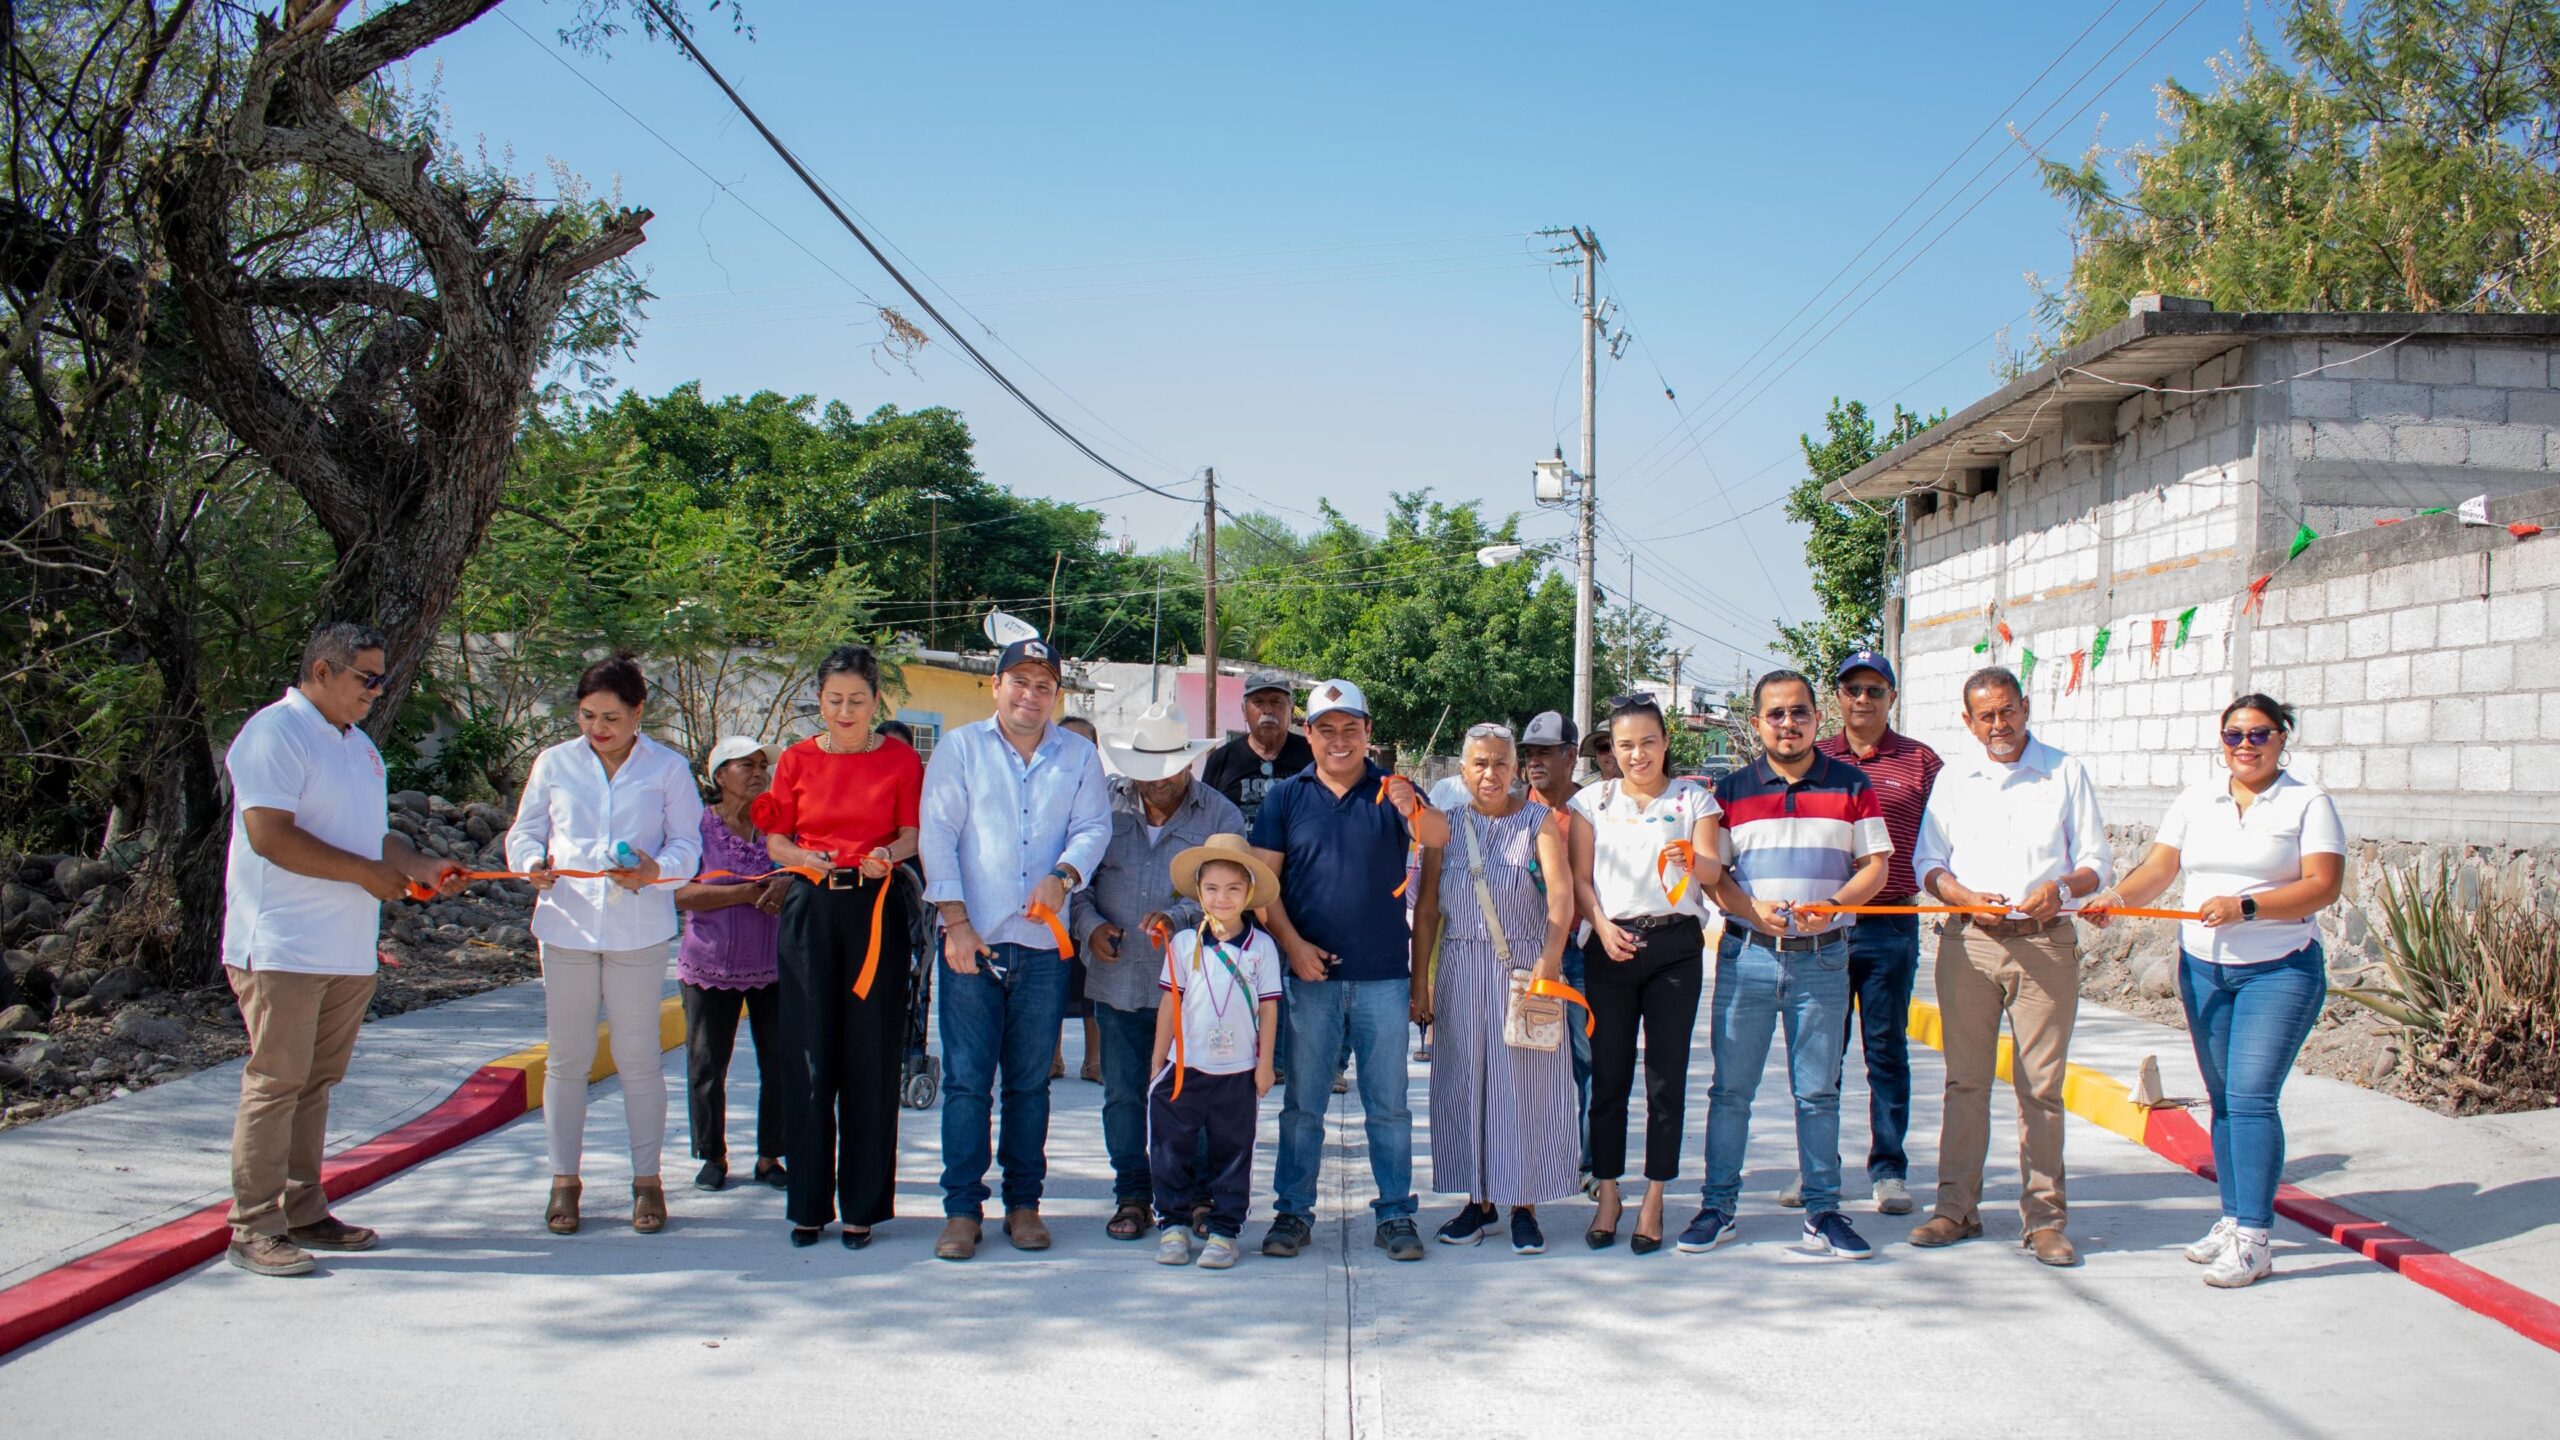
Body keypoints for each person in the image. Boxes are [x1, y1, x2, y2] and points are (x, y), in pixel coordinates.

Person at [219, 622, 464, 1277]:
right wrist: (362, 875)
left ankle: (303, 1210)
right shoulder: (273, 733)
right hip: (281, 945)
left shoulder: (359, 748)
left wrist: (417, 865)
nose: (378, 692)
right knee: (275, 1083)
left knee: (315, 1084)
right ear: (322, 672)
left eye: (382, 679)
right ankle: (253, 1227)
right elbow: (269, 836)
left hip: (346, 947)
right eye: (368, 678)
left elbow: (376, 839)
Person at [2086, 694, 2343, 1288]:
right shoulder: (2197, 800)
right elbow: (2159, 868)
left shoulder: (2309, 803)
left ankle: (2255, 1238)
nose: (2246, 746)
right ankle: (2232, 1220)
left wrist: (2247, 906)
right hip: (2204, 968)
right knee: (2224, 1100)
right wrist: (2119, 900)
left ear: (2283, 739)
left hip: (2279, 968)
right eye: (2234, 736)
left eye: (2259, 734)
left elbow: (2323, 885)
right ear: (2220, 741)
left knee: (2252, 1097)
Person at [1684, 669, 1892, 1260]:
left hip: (1823, 962)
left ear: (1816, 720)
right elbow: (1714, 875)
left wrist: (1836, 906)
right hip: (1748, 957)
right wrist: (1751, 909)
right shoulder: (1728, 795)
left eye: (1799, 712)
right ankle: (1717, 1207)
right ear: (1756, 725)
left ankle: (1823, 1212)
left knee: (1817, 1095)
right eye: (1775, 714)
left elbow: (1874, 866)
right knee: (1730, 1093)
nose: (1788, 723)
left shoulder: (1852, 786)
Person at [1909, 665, 2111, 1267]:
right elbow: (1928, 861)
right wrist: (1959, 894)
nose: (1999, 725)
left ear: (2025, 707)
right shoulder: (1952, 780)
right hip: (1968, 942)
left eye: (2007, 711)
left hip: (2045, 943)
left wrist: (2063, 886)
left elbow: (2097, 861)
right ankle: (1955, 1210)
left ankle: (2045, 1220)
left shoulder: (2063, 771)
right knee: (1964, 1082)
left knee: (2041, 1089)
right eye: (1986, 716)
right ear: (1968, 722)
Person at [918, 636, 1111, 1260]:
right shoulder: (960, 749)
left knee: (1030, 1084)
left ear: (1057, 694)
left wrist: (1065, 875)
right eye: (1019, 682)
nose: (1031, 695)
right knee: (969, 1083)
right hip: (972, 944)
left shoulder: (1078, 756)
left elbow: (1093, 828)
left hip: (1040, 946)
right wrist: (955, 923)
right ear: (995, 687)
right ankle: (962, 1211)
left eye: (1044, 685)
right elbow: (938, 835)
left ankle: (1024, 1204)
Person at [1251, 679, 1451, 1262]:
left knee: (1388, 1106)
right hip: (1311, 980)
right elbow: (1264, 888)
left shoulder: (1392, 791)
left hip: (1384, 977)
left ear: (1368, 733)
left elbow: (1439, 836)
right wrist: (1291, 946)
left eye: (1351, 729)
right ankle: (1292, 1212)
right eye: (1326, 729)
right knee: (1303, 1106)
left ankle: (1395, 1214)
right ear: (1307, 734)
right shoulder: (1285, 797)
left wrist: (1412, 805)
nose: (1339, 741)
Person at [506, 655, 705, 1237]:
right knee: (566, 1060)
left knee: (638, 1059)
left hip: (637, 931)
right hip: (564, 926)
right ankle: (564, 1182)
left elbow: (689, 846)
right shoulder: (554, 763)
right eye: (588, 715)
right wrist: (531, 865)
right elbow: (525, 832)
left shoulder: (667, 768)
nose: (599, 728)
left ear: (640, 711)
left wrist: (654, 870)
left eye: (612, 717)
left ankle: (647, 1182)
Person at [753, 646, 924, 1249]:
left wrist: (888, 857)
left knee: (870, 1055)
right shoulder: (796, 759)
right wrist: (804, 858)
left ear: (876, 701)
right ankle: (807, 1203)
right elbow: (775, 839)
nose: (845, 711)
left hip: (875, 912)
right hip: (810, 909)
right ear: (819, 701)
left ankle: (862, 1206)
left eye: (857, 700)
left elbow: (910, 835)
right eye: (834, 700)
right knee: (806, 1053)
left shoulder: (901, 760)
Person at [1070, 701, 1240, 1240]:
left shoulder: (1218, 815)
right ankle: (1133, 1196)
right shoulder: (1100, 806)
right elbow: (1076, 881)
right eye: (1150, 768)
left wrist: (1182, 916)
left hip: (1192, 988)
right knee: (1122, 1093)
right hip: (1116, 981)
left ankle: (1195, 1196)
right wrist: (1090, 926)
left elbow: (1237, 895)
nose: (1159, 780)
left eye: (1171, 767)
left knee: (1193, 1095)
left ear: (1189, 763)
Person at [1411, 723, 1580, 1255]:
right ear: (1462, 771)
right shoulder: (1446, 826)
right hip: (1461, 969)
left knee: (1526, 1090)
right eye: (1479, 763)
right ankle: (1477, 1200)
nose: (1490, 773)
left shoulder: (1539, 822)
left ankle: (1523, 1202)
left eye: (1500, 764)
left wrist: (1549, 964)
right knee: (1464, 1083)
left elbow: (1561, 897)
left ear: (1514, 770)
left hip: (1524, 972)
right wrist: (1422, 982)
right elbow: (1429, 906)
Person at [1567, 695, 1722, 1253]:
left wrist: (1689, 855)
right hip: (1610, 946)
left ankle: (1655, 1196)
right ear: (1612, 748)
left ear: (1664, 743)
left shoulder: (1692, 799)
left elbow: (1711, 868)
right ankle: (1608, 1190)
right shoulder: (1593, 801)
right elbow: (1581, 879)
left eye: (1648, 742)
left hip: (1675, 948)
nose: (1637, 755)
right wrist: (1601, 927)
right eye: (1625, 745)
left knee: (1665, 1079)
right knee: (1608, 1078)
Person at [1802, 649, 1941, 1216]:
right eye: (1853, 688)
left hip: (1890, 925)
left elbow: (1949, 837)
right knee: (1820, 1053)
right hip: (1825, 926)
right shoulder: (1813, 758)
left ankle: (1888, 1169)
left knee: (1885, 1049)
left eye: (1875, 690)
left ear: (1892, 697)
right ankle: (1818, 1171)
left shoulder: (1920, 764)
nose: (1863, 699)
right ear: (1837, 697)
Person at [1147, 835, 1285, 1270]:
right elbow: (1170, 1004)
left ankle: (1225, 1231)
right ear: (1199, 891)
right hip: (1185, 1069)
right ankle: (1173, 1224)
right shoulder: (1184, 944)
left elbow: (1269, 1008)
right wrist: (1158, 1059)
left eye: (1232, 889)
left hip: (1238, 1070)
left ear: (1247, 892)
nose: (1221, 898)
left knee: (1234, 1151)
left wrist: (1265, 1066)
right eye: (1211, 888)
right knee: (1171, 1149)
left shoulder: (1261, 948)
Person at [673, 737, 792, 1193]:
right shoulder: (696, 828)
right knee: (707, 1065)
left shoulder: (779, 828)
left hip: (773, 965)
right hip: (710, 965)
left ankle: (769, 1156)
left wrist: (784, 886)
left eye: (764, 764)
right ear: (720, 775)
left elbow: (800, 872)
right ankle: (712, 1155)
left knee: (779, 1063)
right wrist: (743, 892)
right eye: (747, 765)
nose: (760, 772)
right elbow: (680, 892)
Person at [1519, 710, 1593, 1182]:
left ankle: (1589, 1164)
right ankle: (1529, 1162)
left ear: (1571, 754)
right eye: (1529, 754)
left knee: (1588, 1062)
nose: (1535, 762)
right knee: (1526, 1064)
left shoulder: (1594, 812)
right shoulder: (1511, 808)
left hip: (1582, 954)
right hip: (1526, 956)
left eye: (1545, 752)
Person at [1053, 715, 1105, 1084]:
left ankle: (1095, 1060)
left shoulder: (1107, 790)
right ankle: (1051, 1057)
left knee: (1092, 987)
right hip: (1050, 903)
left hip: (1092, 900)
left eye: (1084, 742)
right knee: (1052, 985)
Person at [1199, 672, 1313, 829]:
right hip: (1236, 853)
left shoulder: (1312, 755)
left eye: (1276, 701)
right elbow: (1204, 819)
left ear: (1291, 710)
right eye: (1258, 702)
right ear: (1244, 711)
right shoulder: (1222, 760)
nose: (1267, 710)